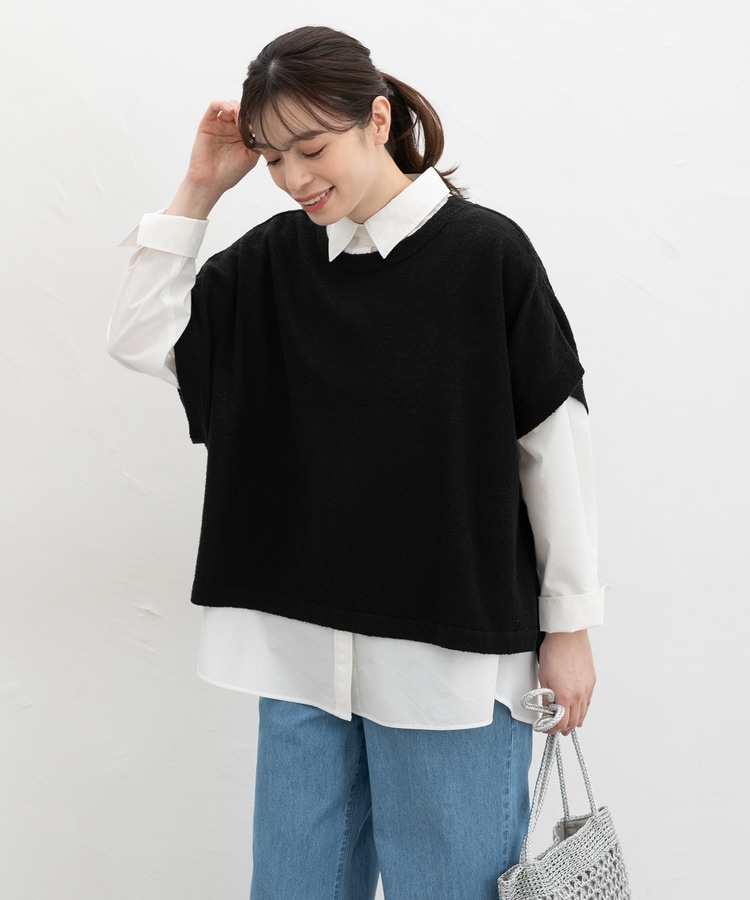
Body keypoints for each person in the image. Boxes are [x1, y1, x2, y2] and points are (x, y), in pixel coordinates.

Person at [108, 24, 603, 900]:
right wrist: (200, 186)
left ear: (377, 119)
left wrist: (568, 627)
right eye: (272, 159)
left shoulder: (485, 255)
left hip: (446, 659)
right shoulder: (274, 261)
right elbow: (141, 338)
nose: (294, 178)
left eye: (312, 149)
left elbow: (551, 443)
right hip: (301, 650)